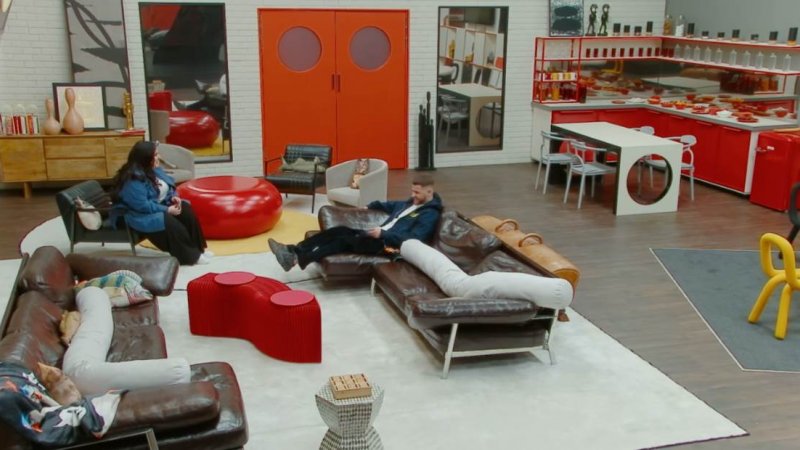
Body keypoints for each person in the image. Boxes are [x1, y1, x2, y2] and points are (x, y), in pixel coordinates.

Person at [268, 175, 443, 271]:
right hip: (378, 236)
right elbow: (390, 205)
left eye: (417, 193)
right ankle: (294, 250)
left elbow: (414, 239)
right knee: (338, 230)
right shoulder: (410, 203)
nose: (413, 195)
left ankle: (296, 259)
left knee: (343, 241)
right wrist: (370, 206)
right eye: (412, 191)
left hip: (389, 247)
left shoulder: (430, 214)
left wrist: (383, 234)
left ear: (429, 192)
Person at [110, 141, 212, 265]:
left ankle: (199, 249)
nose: (158, 157)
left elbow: (169, 185)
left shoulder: (154, 169)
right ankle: (191, 256)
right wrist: (166, 209)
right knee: (167, 220)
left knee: (185, 209)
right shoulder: (133, 179)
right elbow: (142, 205)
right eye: (155, 155)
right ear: (146, 158)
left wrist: (174, 197)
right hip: (137, 214)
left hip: (159, 204)